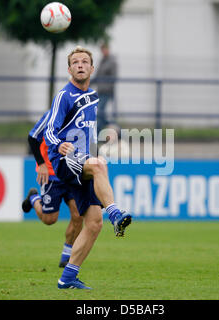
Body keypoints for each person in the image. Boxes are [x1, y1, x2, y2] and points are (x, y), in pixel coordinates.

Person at [43, 46, 132, 290]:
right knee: (99, 165)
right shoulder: (64, 95)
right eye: (75, 62)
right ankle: (115, 213)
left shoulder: (93, 95)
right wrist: (59, 143)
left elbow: (88, 131)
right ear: (69, 68)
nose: (80, 65)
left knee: (94, 223)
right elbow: (49, 129)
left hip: (84, 158)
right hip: (65, 160)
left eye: (85, 61)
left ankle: (68, 277)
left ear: (92, 68)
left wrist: (102, 140)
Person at [21, 110, 83, 268]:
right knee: (50, 220)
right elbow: (32, 137)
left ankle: (66, 255)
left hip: (71, 174)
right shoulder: (52, 116)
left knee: (78, 215)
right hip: (51, 175)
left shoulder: (82, 116)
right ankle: (34, 197)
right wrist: (41, 164)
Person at [94, 43, 117, 133]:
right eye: (102, 50)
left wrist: (108, 89)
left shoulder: (112, 62)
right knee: (101, 112)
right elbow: (97, 75)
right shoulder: (102, 61)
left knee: (100, 111)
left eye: (105, 49)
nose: (103, 51)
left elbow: (113, 77)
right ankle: (113, 125)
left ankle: (98, 132)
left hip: (107, 91)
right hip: (100, 91)